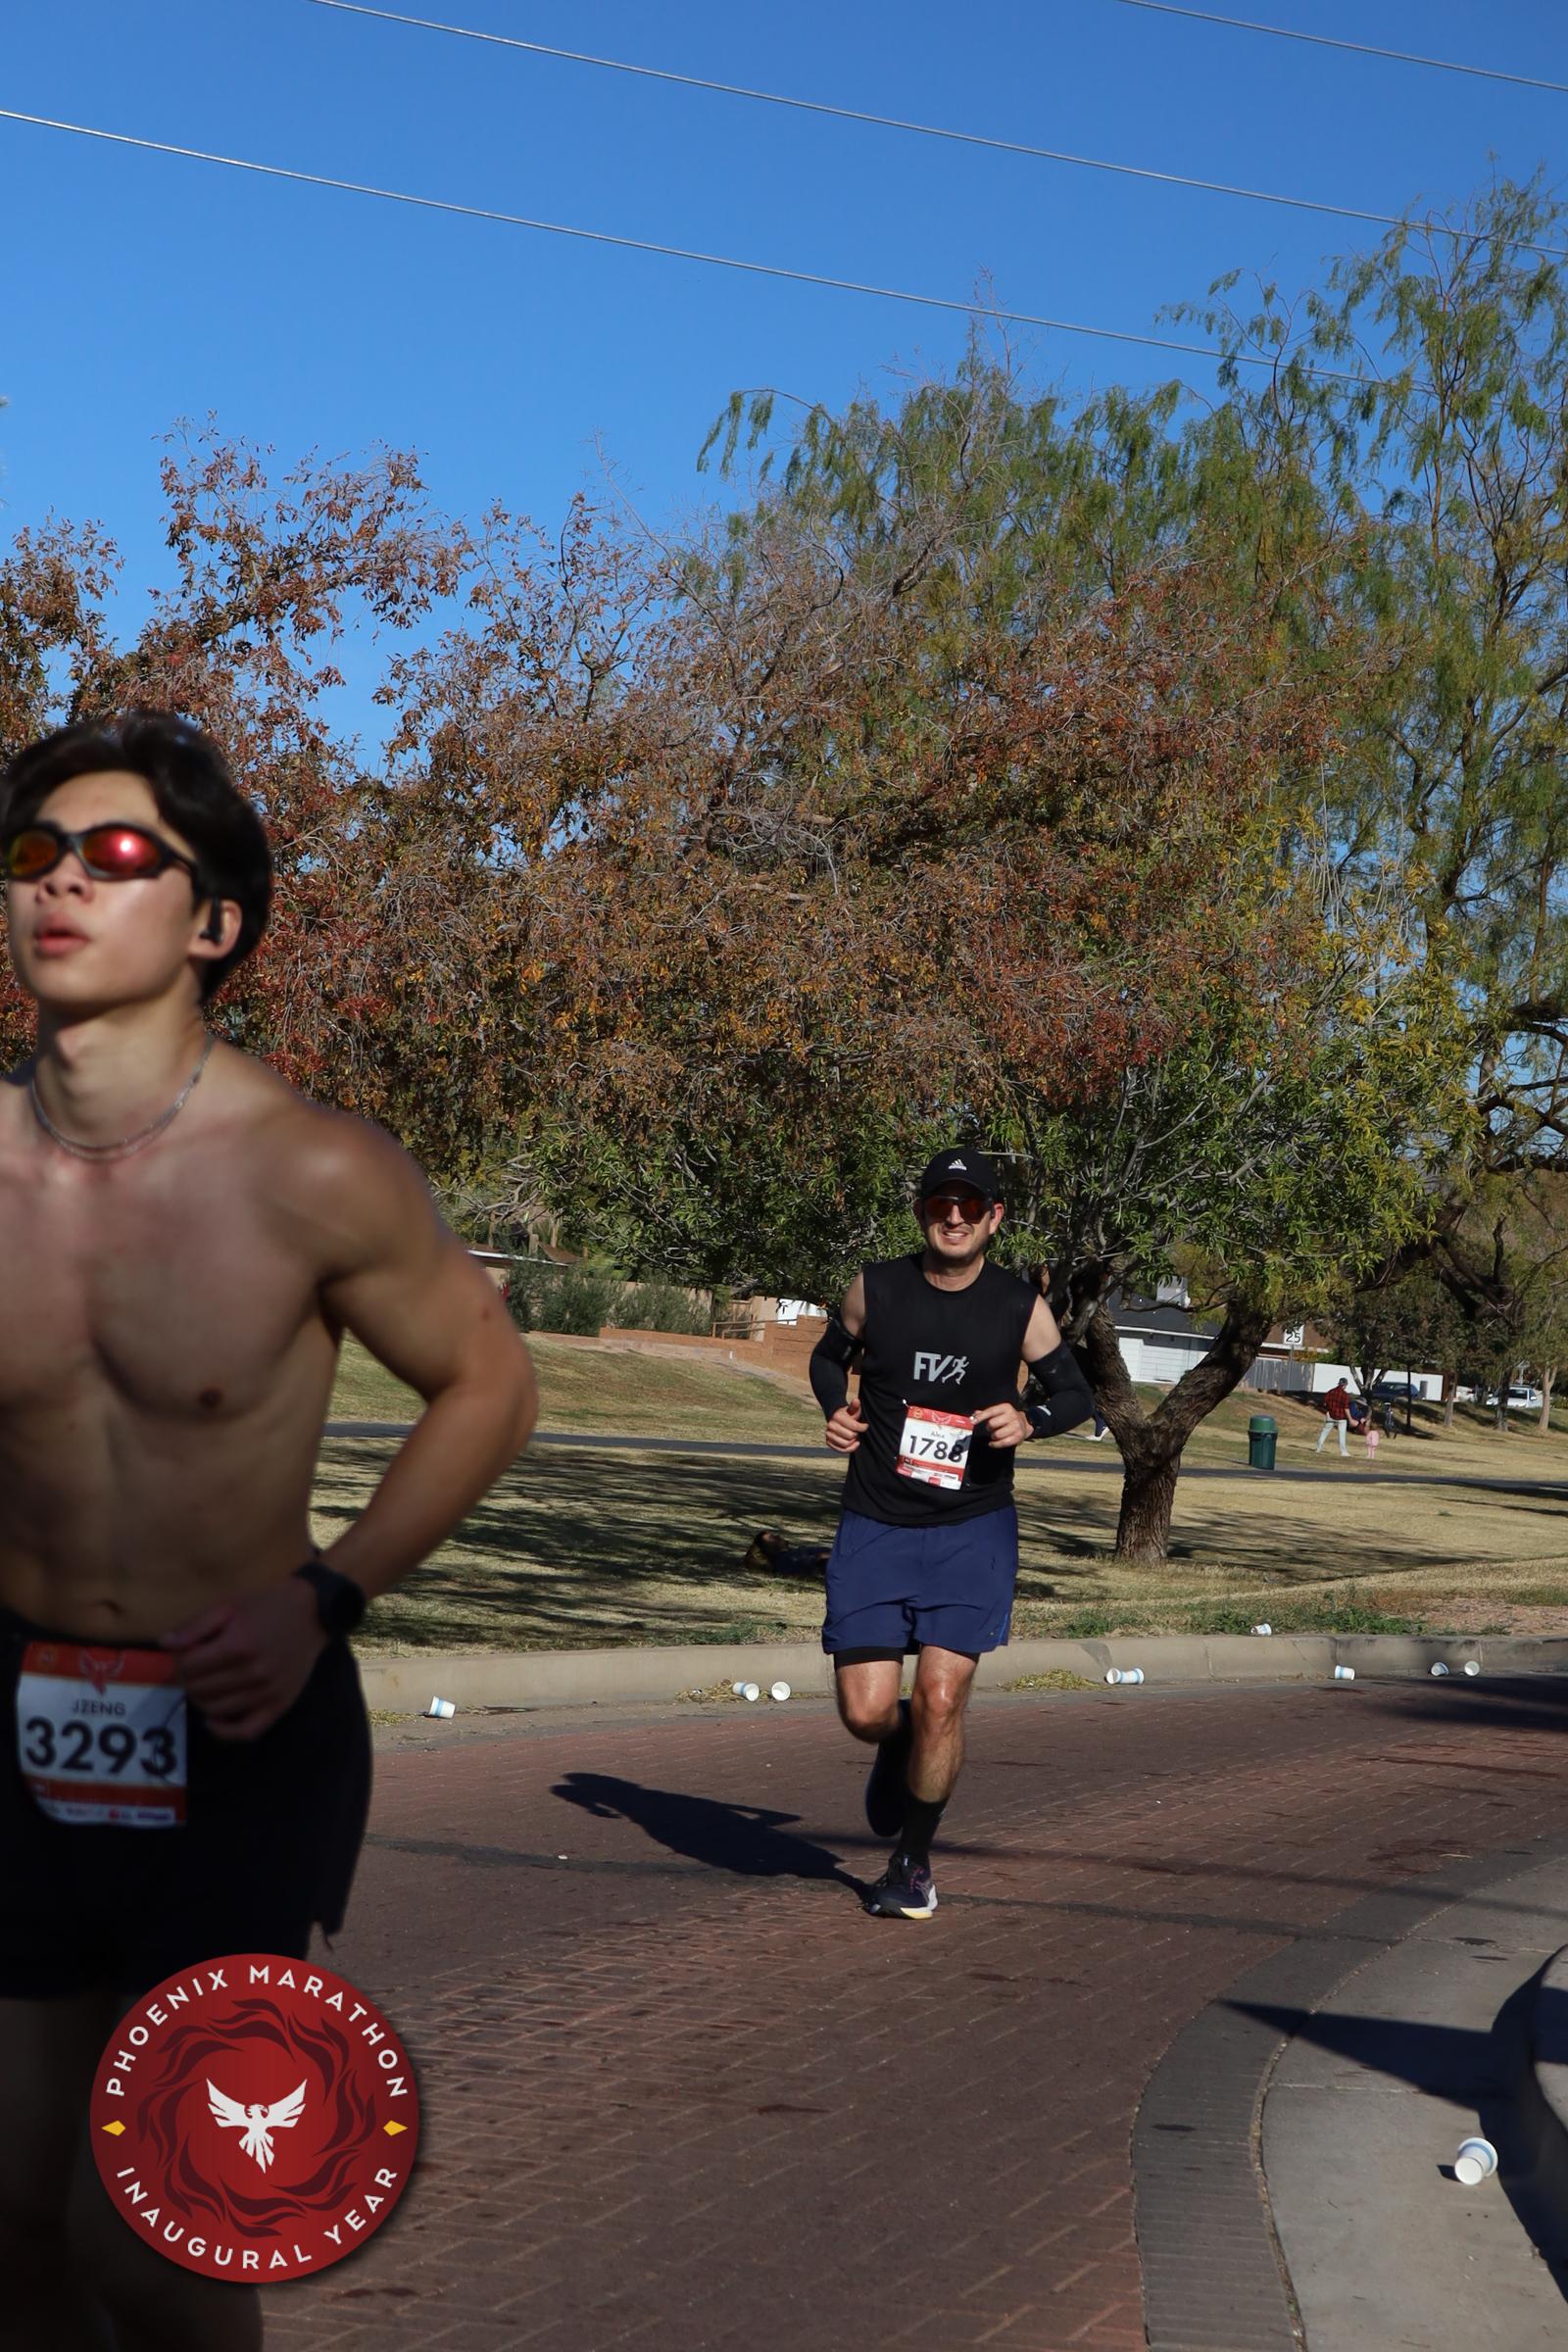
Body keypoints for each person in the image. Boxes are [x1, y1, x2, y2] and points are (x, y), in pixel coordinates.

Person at [0, 714, 538, 2352]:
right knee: (10, 2216)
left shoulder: (311, 1171)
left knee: (150, 2243)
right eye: (31, 854)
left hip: (236, 1729)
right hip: (15, 1714)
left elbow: (488, 1384)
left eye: (116, 856)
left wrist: (329, 1595)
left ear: (214, 922)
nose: (60, 886)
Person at [809, 1146, 1093, 1921]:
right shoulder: (876, 1288)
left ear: (994, 1218)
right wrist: (835, 1407)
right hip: (876, 1522)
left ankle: (911, 1863)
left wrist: (1030, 1419)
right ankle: (897, 1740)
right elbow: (828, 1358)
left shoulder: (1019, 1307)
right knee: (866, 1713)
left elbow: (1075, 1394)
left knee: (940, 1698)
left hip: (972, 1529)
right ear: (923, 1213)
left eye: (971, 1205)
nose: (956, 1217)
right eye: (942, 1203)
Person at [1315, 1379, 1352, 1457]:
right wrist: (1350, 1419)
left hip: (1331, 1415)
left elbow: (1324, 1403)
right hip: (1341, 1418)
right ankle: (1343, 1452)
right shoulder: (1345, 1395)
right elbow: (1346, 1408)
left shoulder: (1331, 1392)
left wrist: (1327, 1411)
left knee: (1325, 1432)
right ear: (1345, 1385)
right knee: (1342, 1435)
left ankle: (1318, 1448)